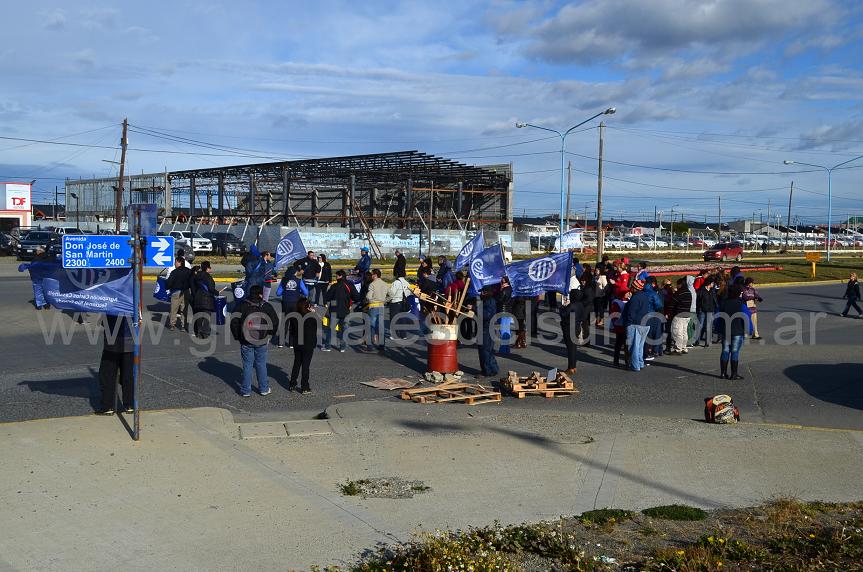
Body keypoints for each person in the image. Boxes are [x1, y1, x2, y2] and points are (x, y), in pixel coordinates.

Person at [230, 285, 279, 397]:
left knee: (247, 365)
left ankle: (246, 390)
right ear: (260, 294)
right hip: (261, 339)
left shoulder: (242, 305)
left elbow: (234, 322)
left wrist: (238, 336)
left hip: (246, 340)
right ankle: (263, 388)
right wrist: (270, 334)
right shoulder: (266, 306)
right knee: (261, 364)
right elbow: (275, 321)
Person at [96, 314, 135, 415]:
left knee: (107, 375)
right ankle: (129, 405)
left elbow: (105, 322)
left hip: (112, 343)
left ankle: (108, 406)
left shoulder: (111, 299)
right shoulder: (132, 299)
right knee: (128, 375)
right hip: (130, 341)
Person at [717, 284, 747, 380]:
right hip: (737, 330)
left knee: (725, 350)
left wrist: (719, 329)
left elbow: (718, 318)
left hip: (726, 330)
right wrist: (748, 330)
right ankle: (734, 374)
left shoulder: (724, 303)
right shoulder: (741, 304)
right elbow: (746, 318)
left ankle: (723, 373)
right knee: (735, 351)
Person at [323, 270, 358, 352]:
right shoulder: (350, 284)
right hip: (345, 309)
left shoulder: (335, 286)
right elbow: (356, 296)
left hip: (334, 309)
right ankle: (343, 347)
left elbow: (327, 297)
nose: (336, 277)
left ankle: (327, 346)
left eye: (336, 276)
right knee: (344, 329)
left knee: (331, 329)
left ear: (340, 276)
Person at [288, 297, 318, 393]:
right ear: (308, 306)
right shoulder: (311, 317)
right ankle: (304, 386)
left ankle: (292, 384)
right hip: (308, 343)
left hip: (297, 342)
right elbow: (316, 328)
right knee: (306, 365)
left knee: (297, 363)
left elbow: (291, 330)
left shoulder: (294, 316)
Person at [621, 279, 652, 372]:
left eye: (632, 287)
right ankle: (640, 363)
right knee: (639, 346)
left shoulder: (635, 298)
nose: (630, 288)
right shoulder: (644, 296)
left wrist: (627, 325)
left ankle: (635, 366)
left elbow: (631, 313)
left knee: (633, 347)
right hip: (645, 324)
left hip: (635, 324)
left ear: (635, 288)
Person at [277, 266, 308, 347]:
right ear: (295, 272)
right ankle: (291, 343)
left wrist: (286, 290)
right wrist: (298, 291)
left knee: (285, 322)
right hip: (295, 303)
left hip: (286, 303)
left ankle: (281, 342)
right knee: (294, 322)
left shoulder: (283, 280)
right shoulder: (298, 280)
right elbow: (306, 292)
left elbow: (278, 293)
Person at [560, 289, 585, 375]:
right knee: (573, 348)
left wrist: (562, 307)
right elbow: (583, 317)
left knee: (570, 348)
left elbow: (563, 314)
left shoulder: (571, 305)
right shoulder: (581, 305)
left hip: (569, 328)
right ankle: (573, 366)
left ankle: (570, 367)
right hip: (577, 328)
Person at [476, 284, 499, 378]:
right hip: (487, 328)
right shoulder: (487, 301)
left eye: (483, 292)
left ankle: (487, 371)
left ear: (487, 293)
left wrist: (475, 310)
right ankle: (493, 369)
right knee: (489, 350)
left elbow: (486, 315)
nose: (481, 293)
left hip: (486, 328)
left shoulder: (489, 301)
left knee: (484, 350)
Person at [364, 268, 389, 351]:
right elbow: (391, 295)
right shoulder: (385, 284)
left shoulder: (372, 284)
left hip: (373, 306)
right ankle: (382, 345)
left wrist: (371, 301)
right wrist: (384, 301)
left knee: (372, 326)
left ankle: (370, 345)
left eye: (372, 274)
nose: (371, 276)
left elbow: (368, 296)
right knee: (381, 326)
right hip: (381, 306)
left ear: (375, 275)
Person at [165, 257, 191, 330]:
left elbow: (169, 283)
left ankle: (172, 325)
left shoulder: (174, 272)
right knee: (184, 309)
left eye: (175, 262)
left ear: (179, 262)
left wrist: (167, 286)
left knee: (174, 309)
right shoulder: (188, 271)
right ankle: (183, 325)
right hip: (186, 292)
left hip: (176, 292)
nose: (174, 264)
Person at [192, 261, 216, 338]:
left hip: (197, 298)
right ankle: (205, 333)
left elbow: (193, 287)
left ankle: (198, 332)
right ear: (207, 268)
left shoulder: (197, 276)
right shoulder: (208, 277)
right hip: (207, 300)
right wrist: (216, 293)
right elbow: (211, 288)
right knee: (206, 317)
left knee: (198, 316)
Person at [669, 278, 693, 354]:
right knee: (684, 332)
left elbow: (672, 303)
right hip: (687, 315)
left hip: (679, 314)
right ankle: (684, 347)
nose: (677, 286)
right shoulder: (688, 292)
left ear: (680, 284)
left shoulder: (679, 293)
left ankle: (678, 348)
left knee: (678, 332)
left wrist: (669, 311)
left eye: (678, 284)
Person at [385, 270, 412, 340]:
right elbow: (409, 293)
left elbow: (392, 293)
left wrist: (386, 300)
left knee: (394, 319)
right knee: (402, 319)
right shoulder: (407, 283)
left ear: (397, 275)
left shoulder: (396, 282)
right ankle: (403, 335)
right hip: (403, 303)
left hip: (395, 302)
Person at [610, 290, 631, 368]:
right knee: (618, 345)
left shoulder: (630, 301)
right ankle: (616, 361)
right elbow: (613, 314)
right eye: (627, 293)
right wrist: (615, 323)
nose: (629, 294)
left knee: (627, 345)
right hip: (620, 326)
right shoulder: (616, 302)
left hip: (626, 326)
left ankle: (627, 362)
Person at [695, 278, 717, 347]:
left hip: (710, 310)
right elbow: (698, 300)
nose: (713, 285)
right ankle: (697, 341)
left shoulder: (712, 291)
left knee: (708, 326)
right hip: (702, 310)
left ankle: (707, 342)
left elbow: (714, 300)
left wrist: (716, 306)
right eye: (712, 283)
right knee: (700, 325)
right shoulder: (701, 291)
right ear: (709, 283)